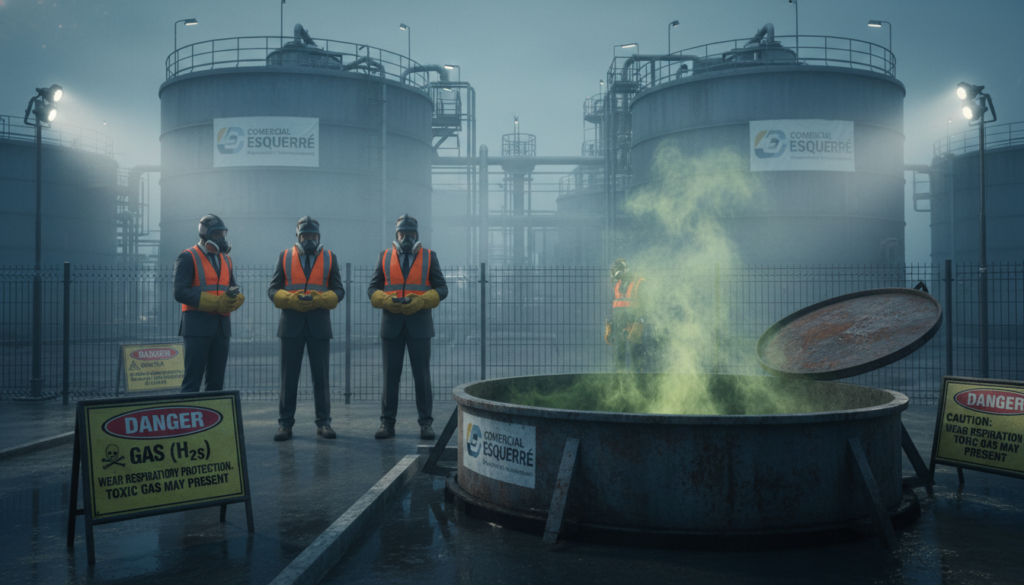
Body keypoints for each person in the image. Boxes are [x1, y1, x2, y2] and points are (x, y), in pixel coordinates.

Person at [367, 215, 447, 440]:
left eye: (410, 234)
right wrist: (385, 300)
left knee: (421, 377)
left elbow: (442, 288)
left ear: (417, 235)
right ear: (396, 235)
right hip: (391, 325)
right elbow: (372, 289)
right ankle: (387, 424)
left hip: (419, 325)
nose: (406, 237)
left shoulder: (430, 257)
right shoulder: (384, 257)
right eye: (402, 234)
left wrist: (423, 300)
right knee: (390, 378)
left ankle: (425, 424)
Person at [268, 216, 345, 441]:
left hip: (319, 326)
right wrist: (289, 298)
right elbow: (272, 290)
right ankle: (285, 425)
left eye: (313, 236)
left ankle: (324, 424)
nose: (309, 240)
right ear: (298, 237)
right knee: (288, 378)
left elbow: (339, 290)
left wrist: (322, 299)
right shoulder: (284, 256)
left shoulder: (330, 258)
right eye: (305, 236)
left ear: (319, 238)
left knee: (321, 378)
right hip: (291, 325)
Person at [173, 214, 245, 393]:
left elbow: (231, 287)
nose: (221, 239)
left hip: (222, 329)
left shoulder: (227, 259)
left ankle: (214, 420)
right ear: (204, 235)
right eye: (216, 235)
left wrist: (234, 298)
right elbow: (179, 292)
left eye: (223, 234)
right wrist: (215, 302)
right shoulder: (187, 256)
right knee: (192, 382)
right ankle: (189, 420)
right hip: (197, 327)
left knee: (216, 383)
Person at [605, 258, 646, 373]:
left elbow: (645, 305)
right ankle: (620, 384)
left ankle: (639, 382)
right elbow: (614, 304)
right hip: (619, 325)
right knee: (619, 360)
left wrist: (639, 322)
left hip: (634, 326)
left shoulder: (639, 282)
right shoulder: (617, 285)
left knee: (636, 358)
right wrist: (609, 323)